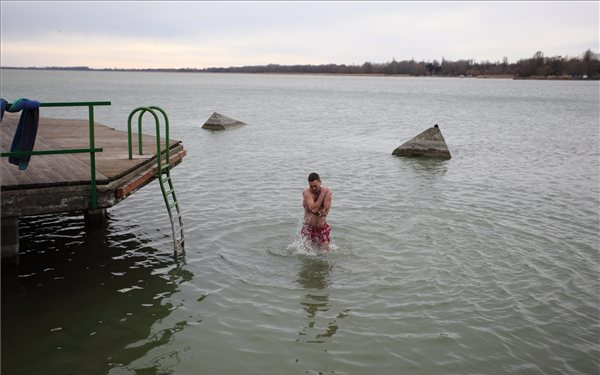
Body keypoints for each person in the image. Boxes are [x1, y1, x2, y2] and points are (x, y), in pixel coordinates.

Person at [301, 172, 332, 249]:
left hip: (321, 228)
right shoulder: (306, 192)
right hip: (308, 227)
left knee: (325, 252)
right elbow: (313, 209)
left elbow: (325, 212)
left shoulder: (328, 192)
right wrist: (322, 194)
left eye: (315, 186)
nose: (313, 188)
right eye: (311, 186)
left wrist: (319, 211)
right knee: (306, 252)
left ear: (320, 182)